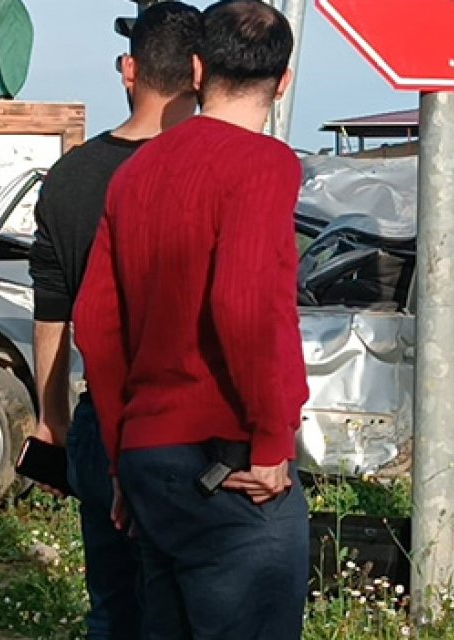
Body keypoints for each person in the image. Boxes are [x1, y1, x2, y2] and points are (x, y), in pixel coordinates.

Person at [73, 1, 309, 636]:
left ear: (198, 69)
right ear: (283, 81)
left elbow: (94, 323)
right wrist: (270, 442)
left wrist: (121, 458)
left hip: (150, 460)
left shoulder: (135, 173)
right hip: (230, 462)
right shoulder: (265, 165)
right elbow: (242, 304)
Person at [26, 3, 202, 637]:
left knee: (113, 608)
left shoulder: (69, 177)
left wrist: (51, 420)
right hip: (191, 431)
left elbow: (52, 310)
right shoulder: (211, 170)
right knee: (186, 611)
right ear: (201, 74)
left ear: (130, 70)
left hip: (100, 422)